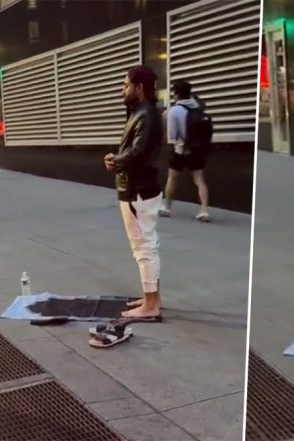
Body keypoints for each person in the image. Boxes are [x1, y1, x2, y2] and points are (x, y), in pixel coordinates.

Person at [102, 65, 164, 322]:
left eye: (126, 85)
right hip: (141, 188)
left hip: (136, 189)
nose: (122, 89)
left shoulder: (146, 115)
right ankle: (152, 298)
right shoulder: (141, 112)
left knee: (143, 247)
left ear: (139, 88)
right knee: (148, 244)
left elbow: (138, 152)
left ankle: (151, 305)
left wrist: (115, 161)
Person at [159, 80, 210, 222]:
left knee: (172, 178)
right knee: (199, 179)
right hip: (197, 149)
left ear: (176, 94)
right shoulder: (198, 107)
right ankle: (204, 210)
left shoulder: (174, 111)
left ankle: (167, 207)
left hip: (181, 150)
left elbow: (172, 136)